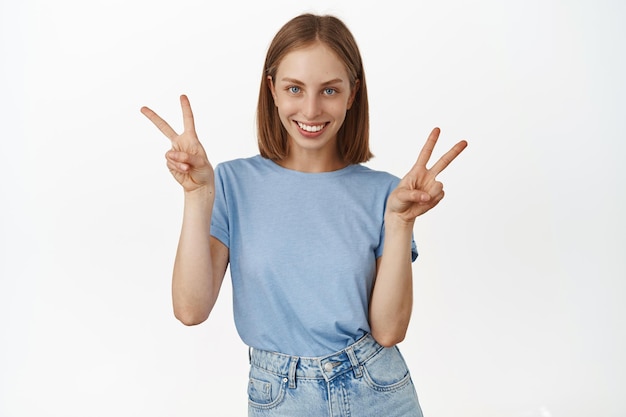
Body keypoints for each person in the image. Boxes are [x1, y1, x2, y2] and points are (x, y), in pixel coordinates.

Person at [141, 13, 467, 417]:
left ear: (352, 94)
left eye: (329, 90)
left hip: (377, 390)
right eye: (295, 88)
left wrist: (401, 223)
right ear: (272, 89)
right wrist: (197, 194)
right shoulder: (230, 183)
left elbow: (388, 330)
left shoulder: (386, 193)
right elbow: (190, 310)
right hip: (279, 396)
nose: (311, 110)